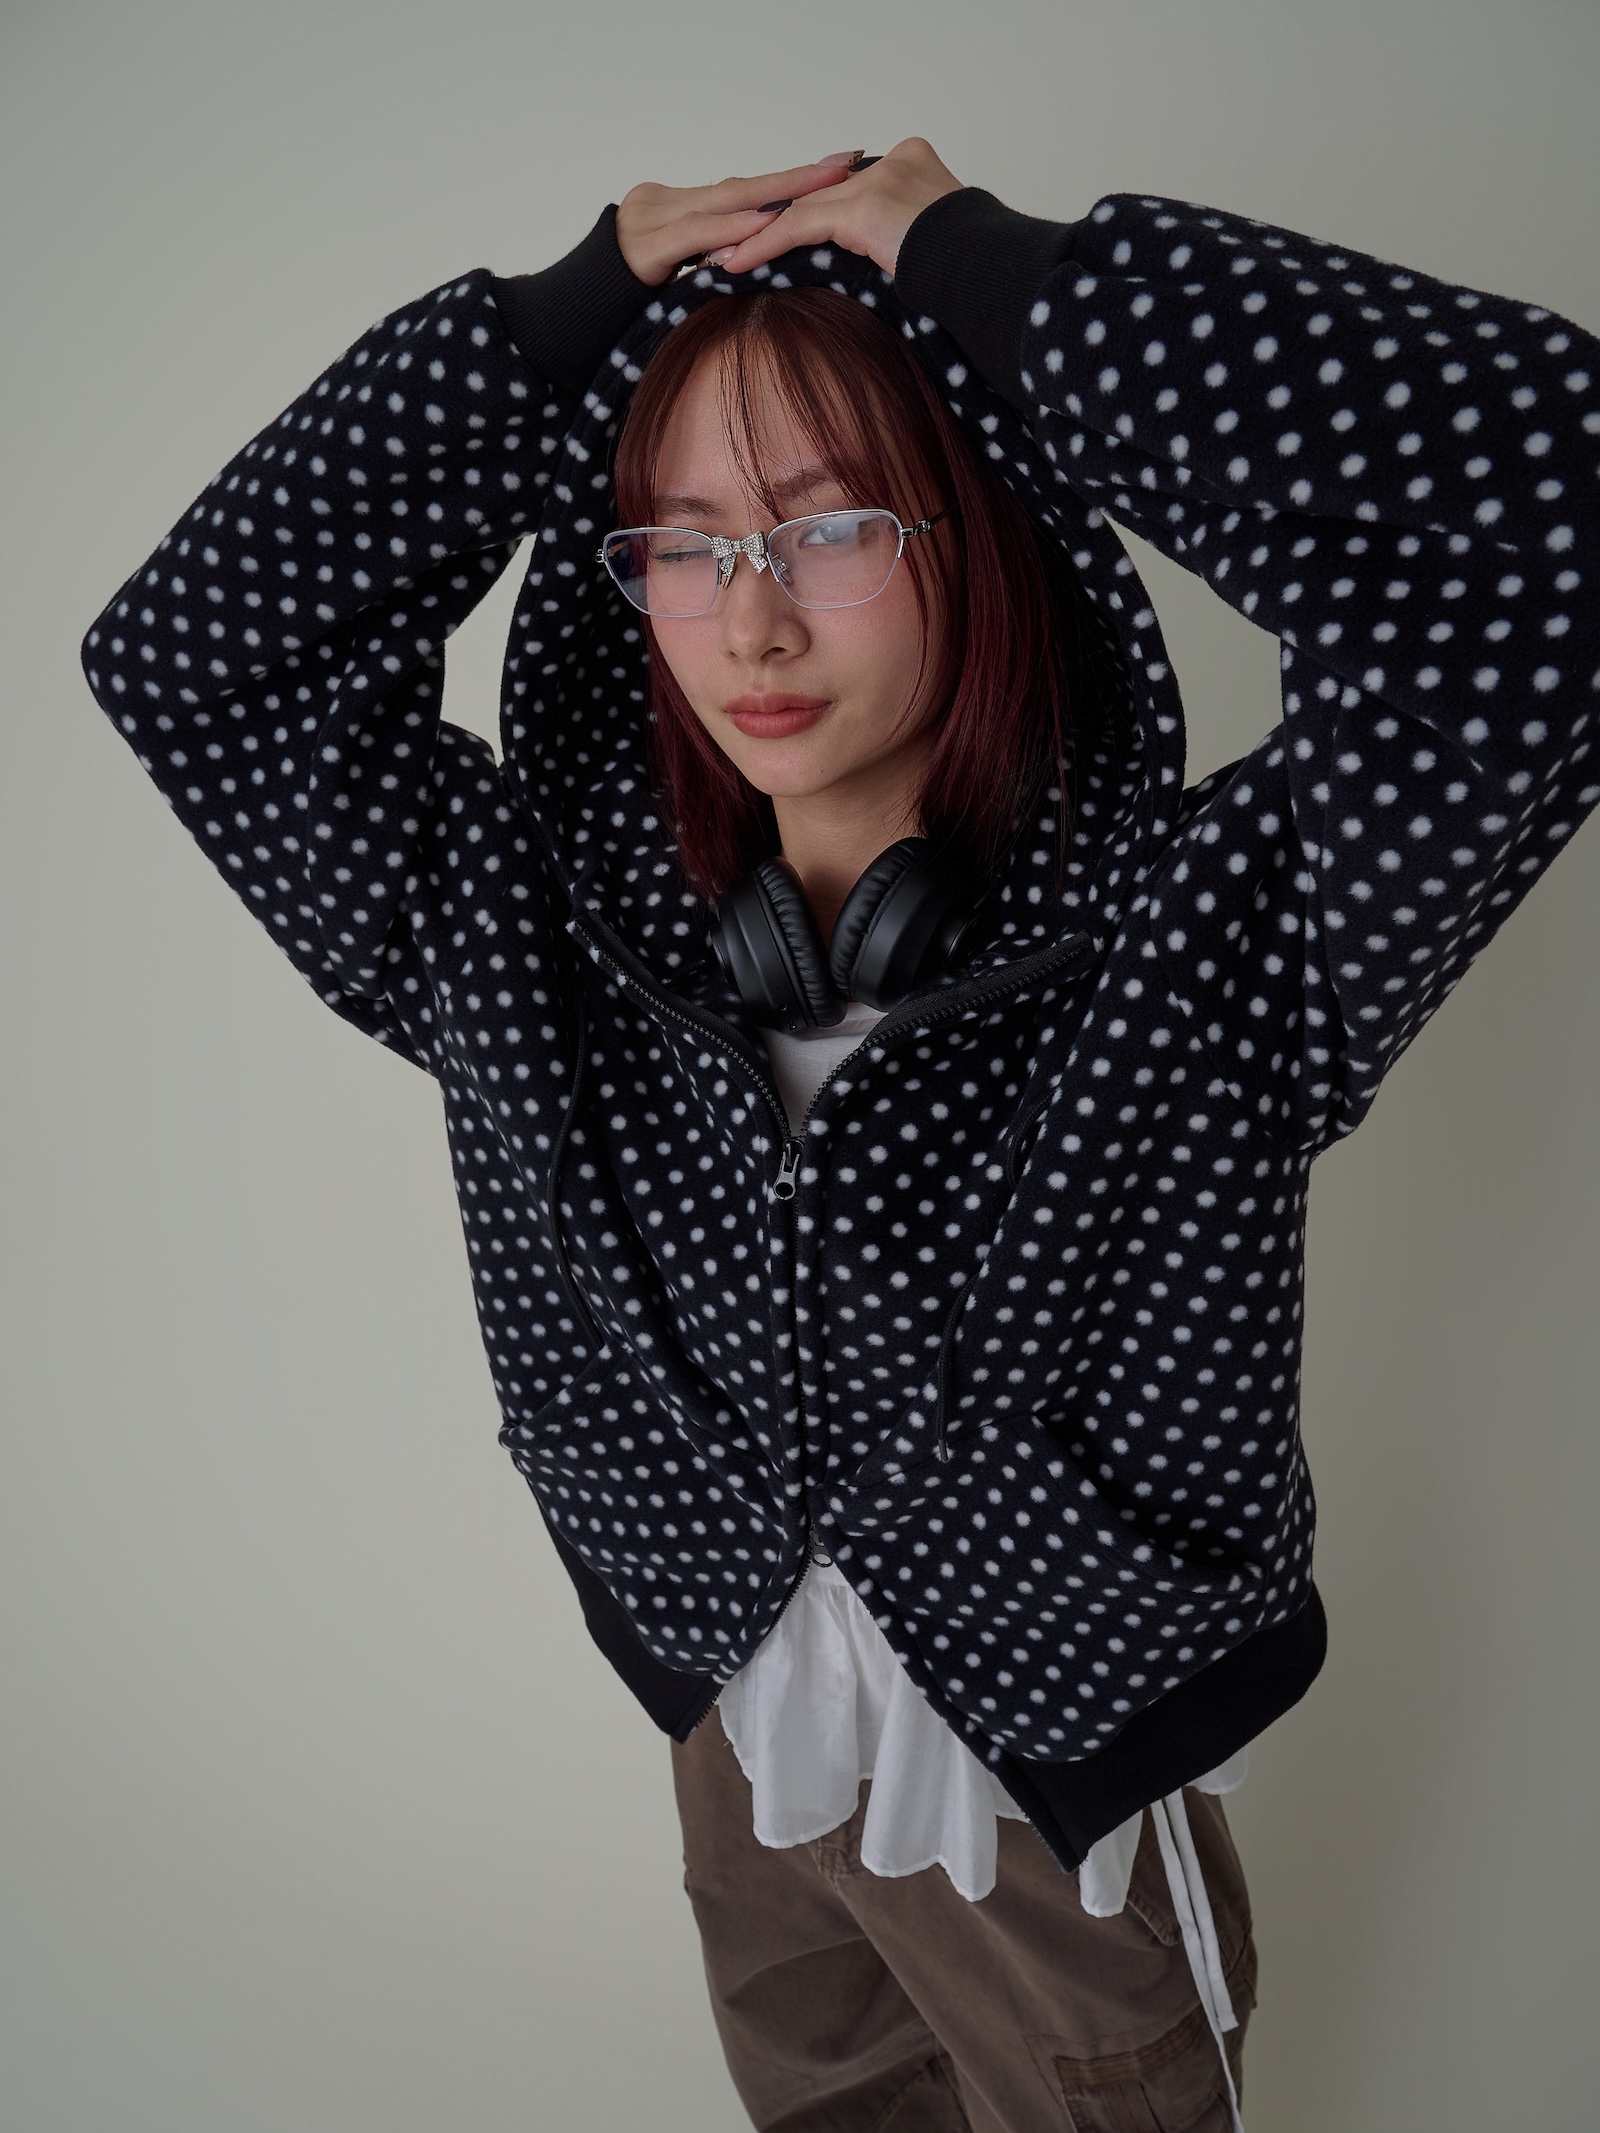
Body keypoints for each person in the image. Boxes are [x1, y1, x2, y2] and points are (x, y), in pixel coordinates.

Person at [80, 138, 1599, 2131]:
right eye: (684, 539)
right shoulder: (516, 927)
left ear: (984, 529)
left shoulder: (1217, 935)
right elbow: (192, 658)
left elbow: (1549, 509)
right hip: (729, 1720)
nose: (751, 623)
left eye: (832, 526)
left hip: (1045, 1786)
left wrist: (1000, 277)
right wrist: (539, 337)